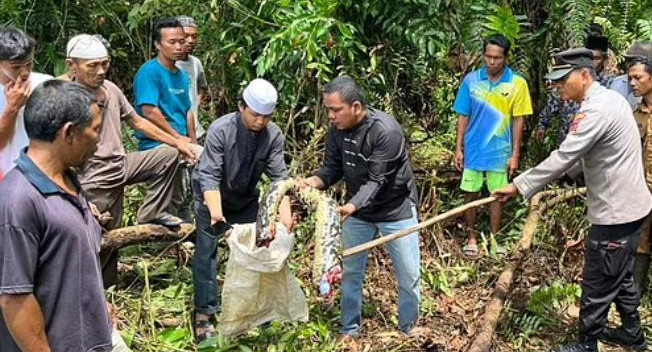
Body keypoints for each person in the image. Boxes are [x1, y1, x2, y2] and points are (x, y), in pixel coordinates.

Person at [494, 48, 651, 352]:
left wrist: (518, 186)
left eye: (561, 81)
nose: (557, 87)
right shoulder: (610, 100)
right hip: (632, 208)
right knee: (620, 274)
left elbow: (564, 155)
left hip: (616, 213)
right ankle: (633, 333)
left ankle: (586, 343)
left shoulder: (596, 109)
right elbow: (590, 153)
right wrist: (569, 175)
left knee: (598, 280)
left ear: (583, 75)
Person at [61, 34, 200, 286]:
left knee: (170, 155)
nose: (101, 71)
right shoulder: (65, 98)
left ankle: (154, 212)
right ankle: (99, 293)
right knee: (102, 238)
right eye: (92, 65)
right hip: (93, 177)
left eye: (105, 63)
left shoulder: (111, 89)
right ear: (72, 66)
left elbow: (137, 121)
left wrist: (179, 142)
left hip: (121, 164)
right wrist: (76, 192)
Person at [300, 76, 424, 345]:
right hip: (358, 213)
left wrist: (351, 205)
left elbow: (377, 181)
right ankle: (349, 328)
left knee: (409, 273)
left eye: (335, 110)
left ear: (356, 107)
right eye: (328, 110)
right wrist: (310, 183)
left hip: (395, 210)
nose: (331, 116)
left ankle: (409, 327)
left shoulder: (386, 131)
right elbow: (331, 169)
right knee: (351, 272)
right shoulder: (336, 130)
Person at [0, 80, 112, 352]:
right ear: (69, 133)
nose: (99, 139)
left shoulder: (67, 181)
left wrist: (99, 306)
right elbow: (14, 299)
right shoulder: (19, 200)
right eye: (96, 130)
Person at [190, 78, 289, 341]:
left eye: (266, 117)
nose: (260, 122)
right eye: (255, 115)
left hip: (246, 200)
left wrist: (285, 214)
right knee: (206, 255)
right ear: (241, 107)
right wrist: (215, 213)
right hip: (212, 198)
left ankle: (254, 310)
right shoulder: (221, 130)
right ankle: (204, 313)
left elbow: (280, 177)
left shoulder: (273, 135)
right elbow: (209, 175)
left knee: (257, 251)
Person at [453, 34, 533, 257]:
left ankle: (494, 240)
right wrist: (458, 148)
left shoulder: (517, 84)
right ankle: (471, 238)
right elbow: (463, 116)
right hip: (473, 150)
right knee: (470, 194)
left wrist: (515, 154)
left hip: (500, 151)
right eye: (488, 56)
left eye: (497, 58)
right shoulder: (471, 81)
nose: (492, 62)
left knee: (497, 195)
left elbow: (519, 120)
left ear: (506, 58)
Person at [535, 34, 614, 143]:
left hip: (592, 139)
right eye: (590, 59)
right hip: (567, 137)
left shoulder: (610, 83)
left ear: (604, 60)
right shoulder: (569, 79)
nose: (593, 62)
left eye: (596, 58)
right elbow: (553, 103)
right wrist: (542, 124)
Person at [0, 26, 51, 180]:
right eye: (16, 67)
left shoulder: (45, 84)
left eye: (28, 64)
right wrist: (13, 108)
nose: (25, 73)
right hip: (8, 179)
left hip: (45, 174)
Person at [626, 48, 652, 294]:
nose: (632, 83)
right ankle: (635, 297)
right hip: (644, 190)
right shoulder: (634, 115)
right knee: (641, 243)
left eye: (638, 78)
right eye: (629, 78)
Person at [176, 15, 209, 141]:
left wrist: (195, 104)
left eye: (194, 36)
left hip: (196, 131)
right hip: (176, 134)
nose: (190, 40)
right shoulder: (168, 65)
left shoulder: (196, 63)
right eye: (186, 36)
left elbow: (202, 86)